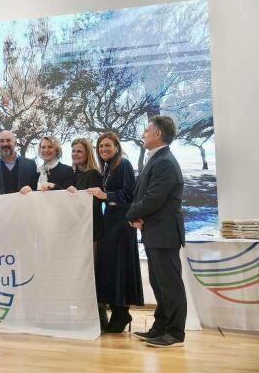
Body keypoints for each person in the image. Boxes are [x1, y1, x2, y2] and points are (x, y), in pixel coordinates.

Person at [126, 116, 186, 348]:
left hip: (165, 233)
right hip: (155, 231)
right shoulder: (158, 159)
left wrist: (131, 215)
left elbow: (153, 198)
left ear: (158, 134)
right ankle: (160, 328)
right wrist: (138, 216)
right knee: (159, 283)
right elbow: (146, 196)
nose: (143, 134)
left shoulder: (165, 162)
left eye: (147, 130)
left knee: (170, 285)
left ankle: (175, 333)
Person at [87, 132, 143, 333]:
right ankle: (119, 312)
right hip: (110, 221)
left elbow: (129, 194)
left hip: (122, 222)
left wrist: (105, 195)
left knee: (121, 267)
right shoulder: (108, 167)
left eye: (107, 146)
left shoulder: (124, 164)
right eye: (100, 146)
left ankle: (122, 313)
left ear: (117, 146)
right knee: (112, 268)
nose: (103, 149)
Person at [66, 138, 105, 328]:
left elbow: (94, 203)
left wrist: (77, 195)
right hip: (76, 232)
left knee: (93, 272)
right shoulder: (73, 174)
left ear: (87, 153)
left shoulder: (94, 174)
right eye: (73, 151)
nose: (75, 154)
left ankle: (99, 315)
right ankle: (83, 313)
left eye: (79, 151)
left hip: (92, 232)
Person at [0, 130, 38, 196]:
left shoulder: (30, 165)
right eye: (1, 141)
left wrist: (31, 189)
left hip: (24, 206)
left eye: (8, 140)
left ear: (15, 143)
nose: (5, 144)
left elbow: (37, 190)